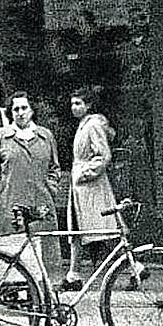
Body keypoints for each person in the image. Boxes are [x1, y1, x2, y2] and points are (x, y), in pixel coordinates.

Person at [0, 91, 63, 270]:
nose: (20, 112)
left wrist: (51, 188)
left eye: (24, 108)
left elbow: (55, 168)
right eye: (16, 109)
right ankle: (11, 294)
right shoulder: (1, 137)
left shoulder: (45, 136)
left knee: (45, 254)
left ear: (32, 111)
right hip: (11, 206)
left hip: (41, 205)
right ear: (10, 113)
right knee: (12, 256)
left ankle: (47, 294)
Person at [62, 88, 117, 291]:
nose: (74, 107)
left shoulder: (93, 125)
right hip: (81, 189)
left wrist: (84, 173)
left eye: (78, 104)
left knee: (102, 231)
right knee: (77, 230)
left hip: (91, 187)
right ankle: (73, 274)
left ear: (89, 105)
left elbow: (103, 155)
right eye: (73, 104)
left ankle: (135, 266)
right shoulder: (84, 125)